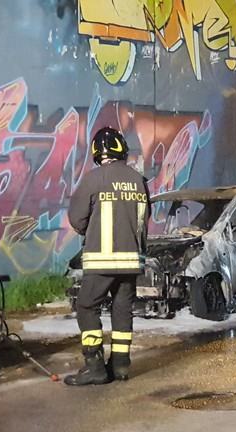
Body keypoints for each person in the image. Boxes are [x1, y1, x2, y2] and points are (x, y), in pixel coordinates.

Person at [65, 127, 151, 385]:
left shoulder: (94, 179)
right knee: (122, 308)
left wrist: (91, 230)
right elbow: (145, 217)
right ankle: (121, 365)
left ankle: (95, 367)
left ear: (96, 153)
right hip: (132, 261)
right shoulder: (139, 180)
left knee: (87, 306)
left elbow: (77, 219)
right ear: (121, 149)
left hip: (101, 261)